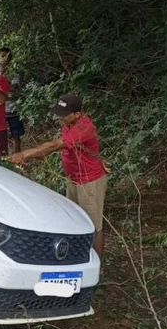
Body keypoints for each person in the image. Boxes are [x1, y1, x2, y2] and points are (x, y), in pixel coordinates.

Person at [8, 94, 108, 261]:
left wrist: (25, 154)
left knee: (94, 225)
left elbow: (54, 146)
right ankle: (78, 257)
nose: (60, 117)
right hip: (74, 179)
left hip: (90, 182)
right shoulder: (69, 123)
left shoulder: (84, 127)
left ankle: (97, 266)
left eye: (64, 113)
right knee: (76, 220)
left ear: (77, 114)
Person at [0, 47, 25, 154]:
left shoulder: (15, 72)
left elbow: (14, 87)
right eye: (2, 56)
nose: (5, 59)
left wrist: (0, 88)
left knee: (16, 135)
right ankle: (3, 158)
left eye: (7, 56)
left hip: (13, 109)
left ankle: (17, 159)